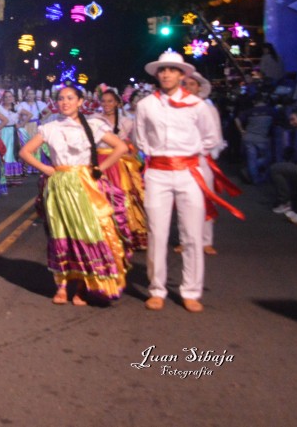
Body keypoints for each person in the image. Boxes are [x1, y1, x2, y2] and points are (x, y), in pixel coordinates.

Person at [133, 51, 236, 314]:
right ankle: (157, 289)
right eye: (162, 69)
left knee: (192, 233)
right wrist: (157, 155)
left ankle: (191, 291)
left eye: (172, 69)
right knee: (157, 233)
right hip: (157, 173)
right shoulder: (146, 105)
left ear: (182, 74)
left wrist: (188, 156)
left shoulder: (197, 105)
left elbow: (211, 138)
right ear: (157, 74)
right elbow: (140, 138)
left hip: (189, 172)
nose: (166, 74)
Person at [20, 86, 131, 305]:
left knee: (86, 232)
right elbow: (24, 152)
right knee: (60, 233)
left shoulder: (93, 125)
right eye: (61, 99)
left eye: (70, 98)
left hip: (85, 184)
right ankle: (61, 285)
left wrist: (98, 169)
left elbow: (120, 147)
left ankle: (82, 284)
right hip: (59, 185)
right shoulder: (50, 127)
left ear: (80, 101)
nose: (65, 102)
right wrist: (48, 169)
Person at [179, 73, 237, 255]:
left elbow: (216, 136)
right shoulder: (176, 108)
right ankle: (185, 240)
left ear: (199, 87)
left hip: (202, 160)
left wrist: (204, 153)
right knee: (183, 202)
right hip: (180, 161)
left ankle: (205, 240)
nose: (188, 87)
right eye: (185, 84)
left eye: (192, 84)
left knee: (206, 200)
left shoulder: (207, 108)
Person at [90, 89, 147, 251]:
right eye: (103, 101)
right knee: (100, 196)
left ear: (117, 103)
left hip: (119, 163)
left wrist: (131, 154)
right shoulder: (94, 120)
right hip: (99, 160)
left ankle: (126, 232)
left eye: (110, 101)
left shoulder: (126, 121)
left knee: (122, 195)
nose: (106, 105)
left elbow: (135, 143)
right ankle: (104, 234)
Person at [270, 109, 297, 224]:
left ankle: (284, 202)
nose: (291, 123)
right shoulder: (295, 132)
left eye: (294, 119)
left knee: (276, 169)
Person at [0, 90, 25, 184]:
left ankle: (14, 177)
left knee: (13, 153)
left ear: (13, 98)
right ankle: (5, 177)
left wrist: (21, 124)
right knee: (4, 153)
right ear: (3, 99)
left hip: (13, 132)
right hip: (3, 132)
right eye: (6, 97)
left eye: (10, 96)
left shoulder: (17, 107)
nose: (8, 98)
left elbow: (29, 115)